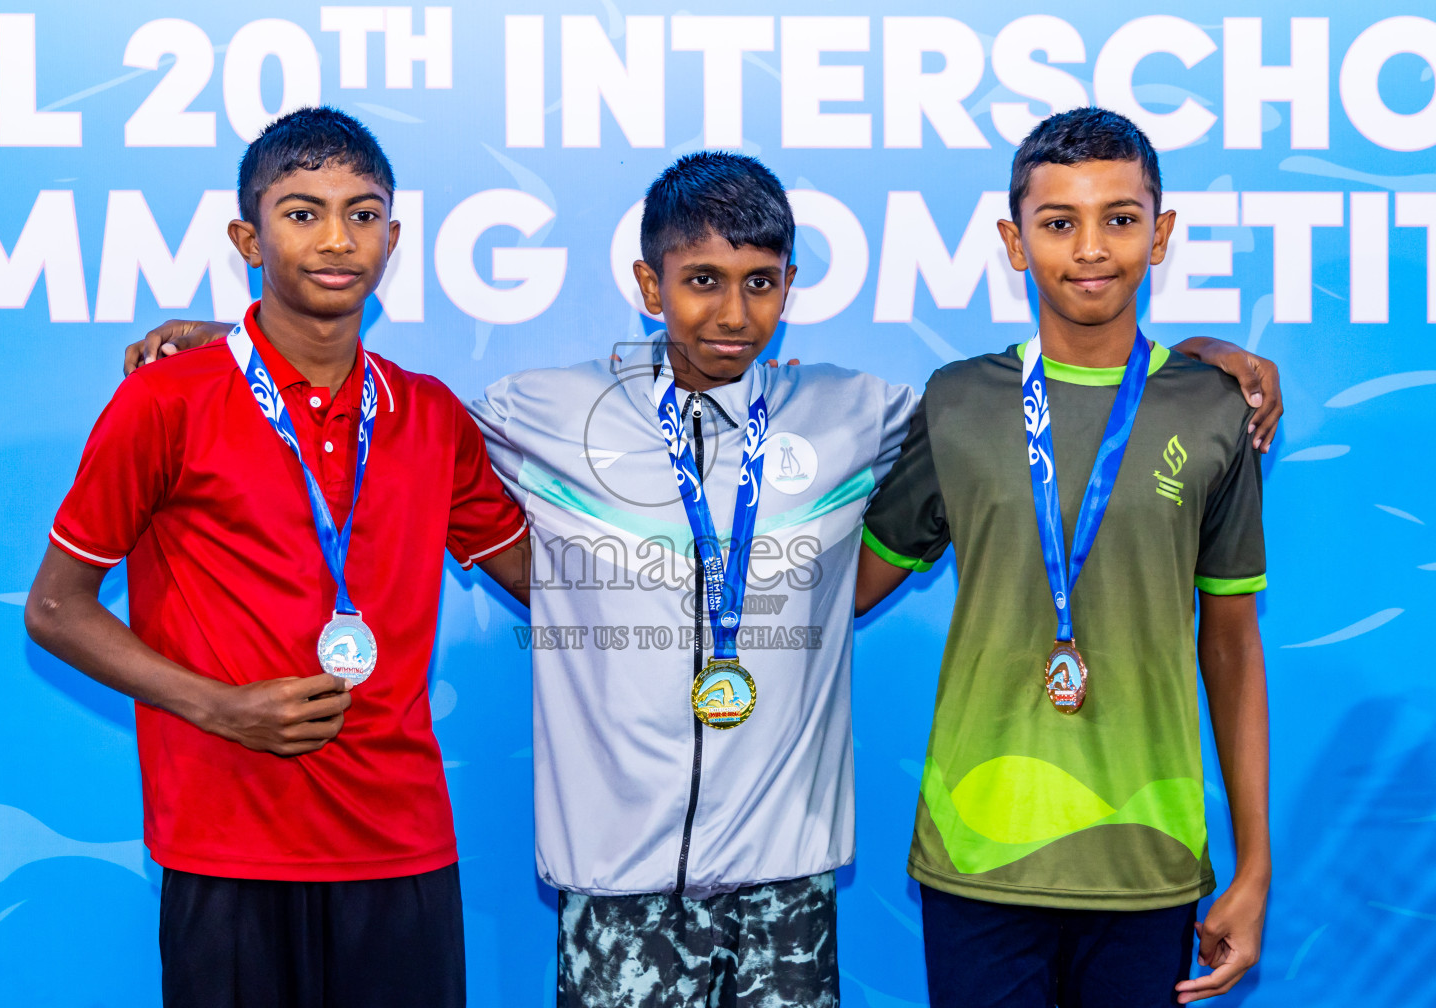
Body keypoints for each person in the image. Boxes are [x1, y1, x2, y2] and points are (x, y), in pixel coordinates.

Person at [123, 150, 1281, 1007]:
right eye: (701, 280)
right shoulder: (541, 408)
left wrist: (1208, 362)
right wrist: (223, 346)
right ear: (647, 280)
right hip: (612, 887)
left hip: (785, 889)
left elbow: (1044, 402)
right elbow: (376, 407)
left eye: (762, 282)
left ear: (789, 289)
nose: (731, 312)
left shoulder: (863, 410)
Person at [25, 107, 529, 1008]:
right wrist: (219, 707)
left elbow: (551, 577)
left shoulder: (430, 415)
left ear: (394, 237)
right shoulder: (166, 401)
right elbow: (56, 608)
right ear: (247, 239)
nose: (337, 239)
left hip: (401, 848)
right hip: (227, 850)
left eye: (362, 213)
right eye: (302, 214)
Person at [856, 108, 1271, 1008]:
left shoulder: (1212, 409)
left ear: (1159, 236)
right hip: (978, 857)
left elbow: (1232, 643)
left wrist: (1255, 865)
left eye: (1120, 219)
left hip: (1147, 859)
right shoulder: (959, 400)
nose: (1091, 248)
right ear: (1015, 242)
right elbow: (848, 586)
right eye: (1058, 222)